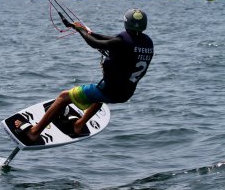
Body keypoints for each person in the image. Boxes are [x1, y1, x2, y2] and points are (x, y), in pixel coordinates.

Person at [15, 9, 154, 142]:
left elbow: (95, 43)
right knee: (99, 96)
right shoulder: (146, 42)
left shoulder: (121, 42)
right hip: (125, 93)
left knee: (64, 97)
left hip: (109, 91)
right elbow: (110, 40)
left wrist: (81, 30)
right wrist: (84, 30)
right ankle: (79, 125)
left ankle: (34, 132)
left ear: (125, 22)